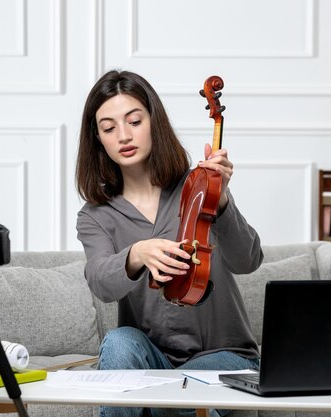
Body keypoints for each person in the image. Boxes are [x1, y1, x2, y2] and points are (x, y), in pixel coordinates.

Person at [75, 70, 264, 417]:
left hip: (224, 356)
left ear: (153, 122)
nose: (124, 135)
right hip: (153, 358)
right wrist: (135, 254)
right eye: (109, 128)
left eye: (134, 120)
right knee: (120, 343)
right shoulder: (95, 216)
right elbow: (100, 281)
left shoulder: (199, 188)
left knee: (180, 392)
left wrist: (221, 202)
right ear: (98, 139)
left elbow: (248, 260)